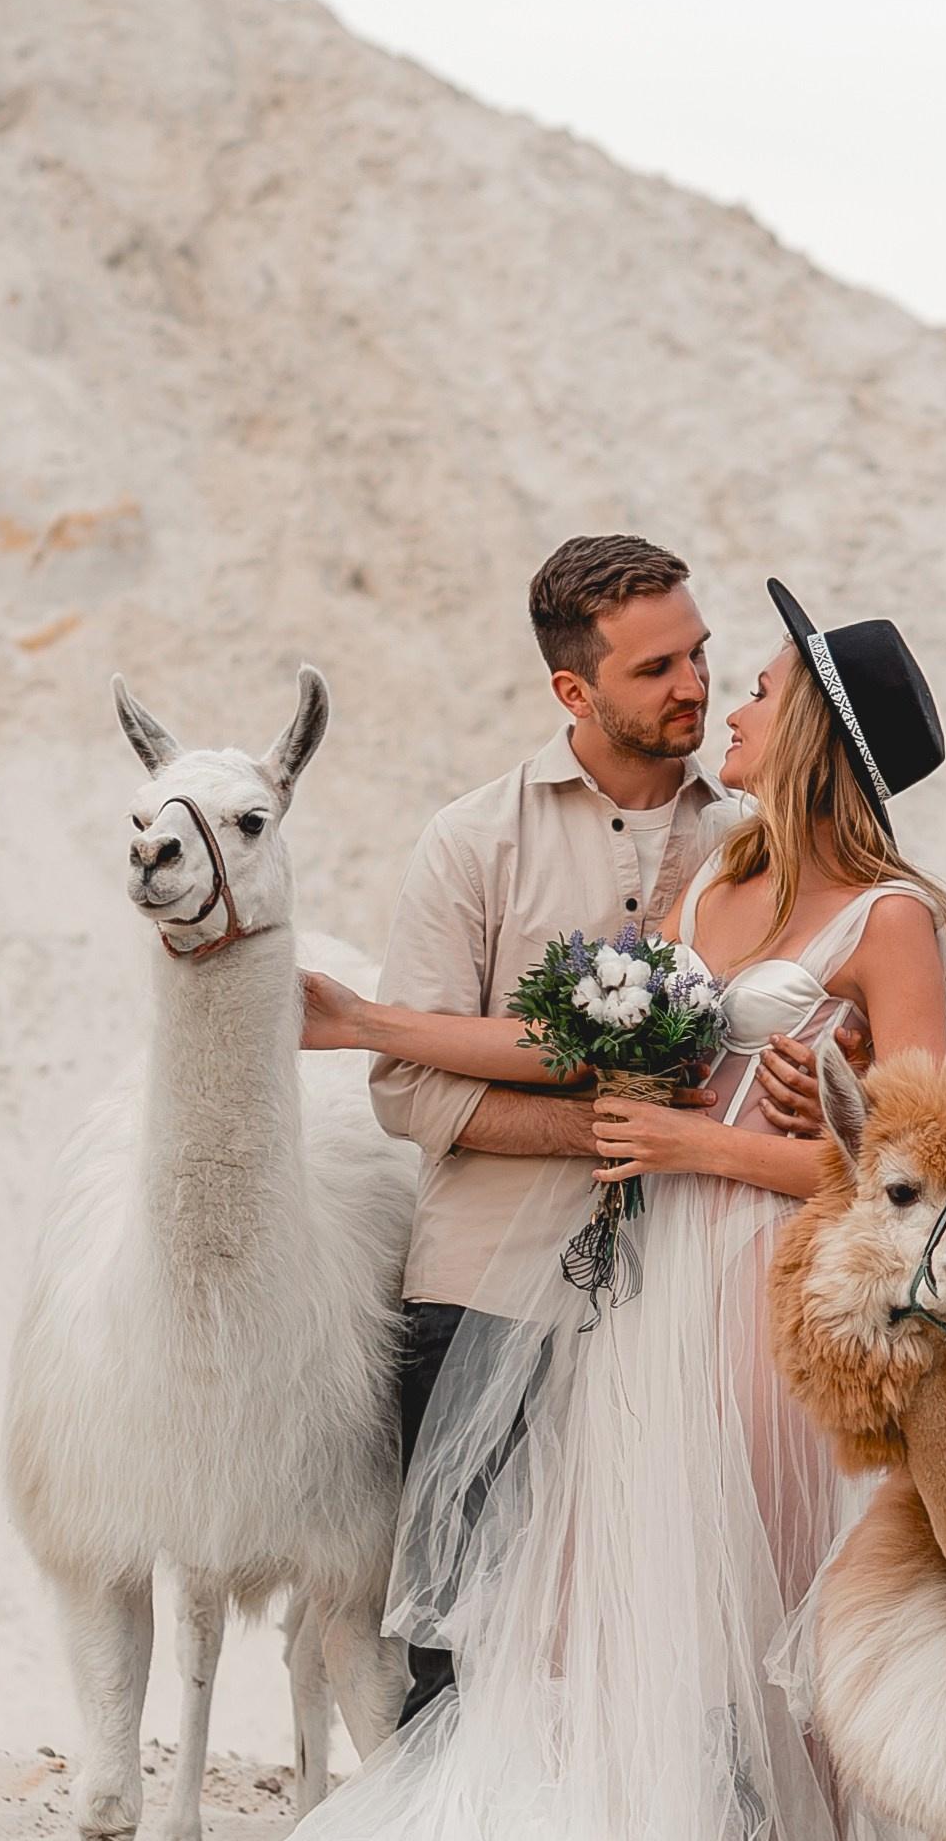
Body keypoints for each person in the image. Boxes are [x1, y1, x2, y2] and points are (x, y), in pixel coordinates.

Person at [0, 564, 946, 1841]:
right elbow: (579, 1045)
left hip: (753, 1300)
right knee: (587, 1643)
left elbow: (927, 1164)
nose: (726, 699)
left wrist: (706, 1136)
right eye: (690, 671)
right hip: (642, 1294)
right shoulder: (715, 884)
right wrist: (361, 1020)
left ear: (812, 734)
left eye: (752, 685)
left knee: (767, 1639)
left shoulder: (884, 920)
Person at [332, 535, 835, 1722]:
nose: (694, 686)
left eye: (701, 655)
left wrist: (830, 1084)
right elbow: (405, 1092)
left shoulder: (750, 839)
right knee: (456, 1647)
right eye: (657, 667)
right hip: (488, 1283)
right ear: (575, 690)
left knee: (671, 1638)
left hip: (682, 1308)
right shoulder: (472, 841)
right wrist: (593, 1134)